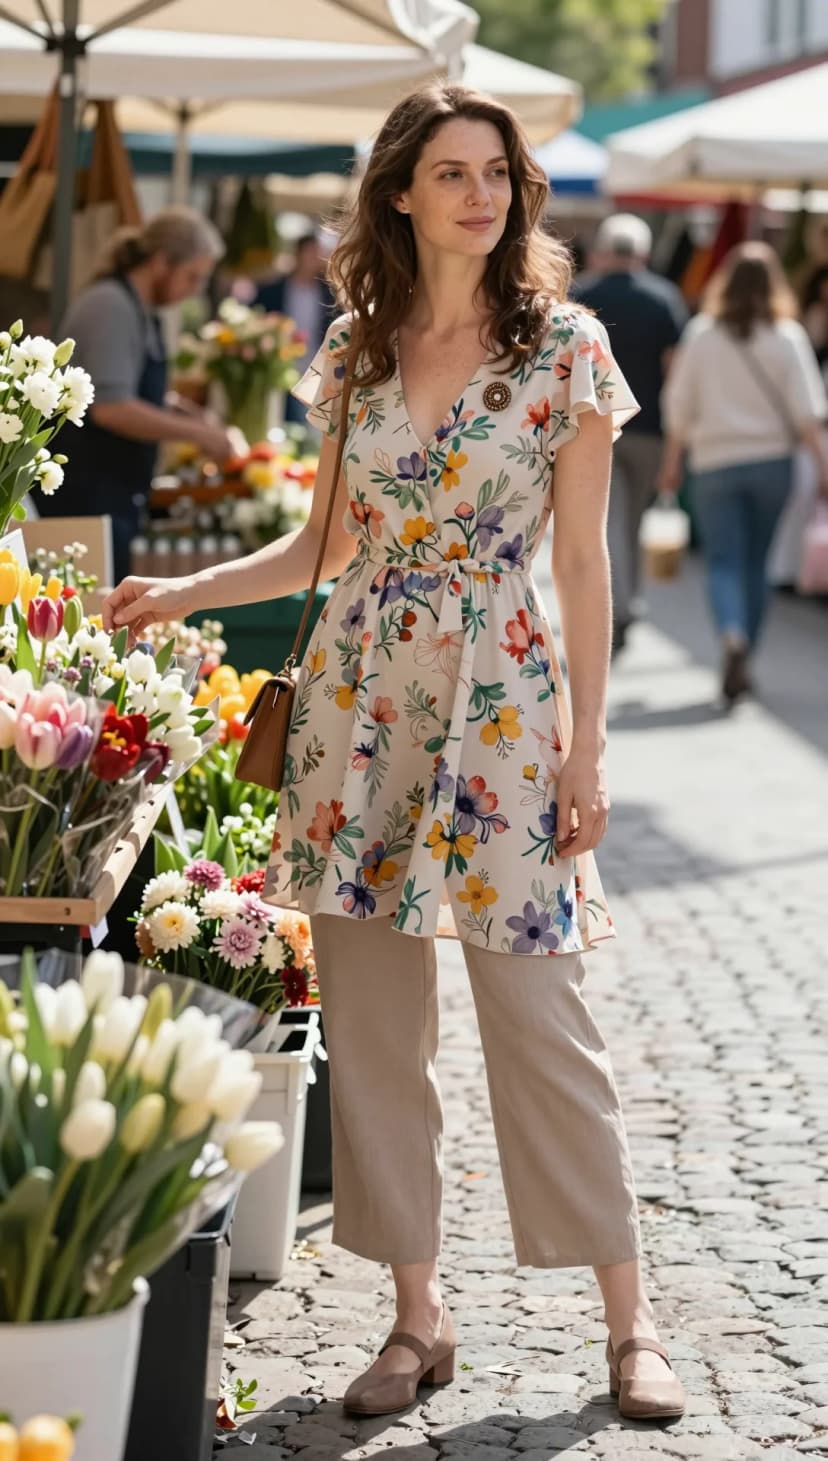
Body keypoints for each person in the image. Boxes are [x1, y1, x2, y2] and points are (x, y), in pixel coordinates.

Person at [104, 84, 686, 1425]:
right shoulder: (357, 352)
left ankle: (629, 1315)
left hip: (501, 713)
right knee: (372, 1025)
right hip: (360, 708)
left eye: (498, 172)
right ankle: (418, 1317)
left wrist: (588, 749)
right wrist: (180, 594)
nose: (480, 194)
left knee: (542, 1019)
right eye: (451, 173)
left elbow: (586, 568)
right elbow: (329, 546)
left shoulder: (568, 351)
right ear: (404, 196)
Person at [661, 242, 828, 702]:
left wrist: (672, 462)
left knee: (724, 561)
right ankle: (746, 649)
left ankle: (731, 636)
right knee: (758, 562)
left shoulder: (702, 333)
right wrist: (822, 465)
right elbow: (808, 412)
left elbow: (679, 405)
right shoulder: (788, 335)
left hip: (714, 463)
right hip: (773, 464)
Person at [42, 208, 240, 582]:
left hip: (114, 494)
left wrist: (190, 415)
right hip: (86, 498)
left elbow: (136, 392)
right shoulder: (110, 306)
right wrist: (199, 434)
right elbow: (112, 408)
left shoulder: (141, 311)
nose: (195, 290)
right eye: (191, 277)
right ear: (161, 261)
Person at [574, 214, 688, 655]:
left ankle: (619, 605)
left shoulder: (583, 295)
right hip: (650, 431)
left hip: (591, 429)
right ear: (641, 253)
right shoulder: (664, 299)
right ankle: (626, 603)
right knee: (632, 521)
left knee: (608, 523)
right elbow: (673, 373)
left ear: (604, 249)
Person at [255, 232, 336, 423]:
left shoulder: (330, 296)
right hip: (277, 368)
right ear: (298, 254)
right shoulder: (271, 291)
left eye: (318, 253)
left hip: (315, 369)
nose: (314, 258)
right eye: (310, 252)